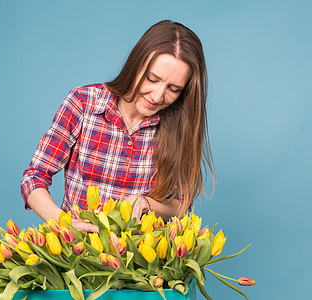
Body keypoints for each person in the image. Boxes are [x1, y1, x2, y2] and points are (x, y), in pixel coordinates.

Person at [20, 20, 214, 232]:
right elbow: (34, 177)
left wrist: (147, 203)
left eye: (174, 89)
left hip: (141, 258)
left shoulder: (179, 124)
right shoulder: (83, 103)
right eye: (152, 79)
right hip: (77, 253)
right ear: (136, 64)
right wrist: (65, 225)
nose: (158, 96)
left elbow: (181, 205)